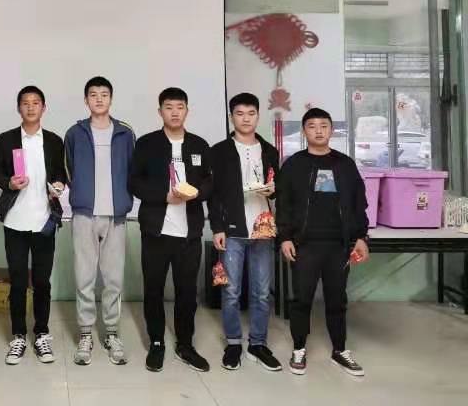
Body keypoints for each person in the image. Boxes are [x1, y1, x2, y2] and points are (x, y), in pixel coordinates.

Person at [276, 107, 370, 377]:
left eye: (324, 126)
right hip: (304, 245)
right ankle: (299, 348)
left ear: (331, 130)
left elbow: (359, 204)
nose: (318, 131)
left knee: (337, 299)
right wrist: (285, 237)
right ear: (304, 131)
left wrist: (361, 237)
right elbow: (283, 205)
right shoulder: (294, 165)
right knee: (301, 299)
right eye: (312, 126)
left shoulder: (345, 164)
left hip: (338, 245)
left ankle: (340, 350)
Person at [129, 87, 213, 373]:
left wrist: (197, 193)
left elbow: (210, 181)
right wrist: (162, 196)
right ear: (160, 111)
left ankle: (185, 344)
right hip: (156, 230)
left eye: (180, 107)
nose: (175, 112)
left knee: (187, 292)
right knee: (153, 289)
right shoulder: (147, 144)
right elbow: (134, 182)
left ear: (187, 111)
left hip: (189, 233)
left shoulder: (199, 145)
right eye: (169, 107)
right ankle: (156, 343)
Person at [64, 76, 136, 365]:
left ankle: (112, 332)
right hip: (84, 214)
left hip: (116, 215)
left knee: (113, 279)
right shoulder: (75, 133)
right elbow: (69, 168)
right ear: (86, 100)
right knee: (84, 277)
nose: (99, 99)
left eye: (104, 94)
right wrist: (82, 193)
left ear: (111, 99)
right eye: (93, 95)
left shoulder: (125, 133)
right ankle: (85, 333)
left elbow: (132, 168)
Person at [0, 86, 67, 365]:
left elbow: (61, 173)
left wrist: (59, 184)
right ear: (18, 108)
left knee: (42, 282)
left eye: (36, 103)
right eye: (25, 103)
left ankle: (42, 333)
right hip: (15, 221)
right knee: (18, 281)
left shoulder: (54, 140)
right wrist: (9, 183)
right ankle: (18, 335)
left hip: (45, 221)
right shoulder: (6, 139)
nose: (31, 107)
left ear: (43, 108)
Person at [209, 93, 282, 372]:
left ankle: (258, 344)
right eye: (240, 114)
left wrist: (273, 191)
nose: (246, 118)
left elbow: (278, 186)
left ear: (258, 116)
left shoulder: (269, 150)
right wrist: (217, 228)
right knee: (231, 291)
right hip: (232, 229)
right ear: (232, 117)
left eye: (251, 113)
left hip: (263, 228)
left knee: (261, 292)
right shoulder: (219, 151)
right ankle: (233, 343)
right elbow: (213, 194)